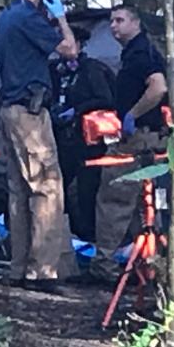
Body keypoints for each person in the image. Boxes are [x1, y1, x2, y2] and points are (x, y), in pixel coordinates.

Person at [0, 0, 76, 292]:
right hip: (29, 114)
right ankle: (42, 271)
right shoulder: (29, 18)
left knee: (19, 190)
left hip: (9, 110)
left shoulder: (5, 17)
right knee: (47, 187)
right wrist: (62, 18)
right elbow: (70, 49)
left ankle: (18, 267)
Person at [92, 4, 168, 280]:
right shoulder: (141, 51)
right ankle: (147, 264)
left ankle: (105, 265)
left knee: (114, 195)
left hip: (138, 137)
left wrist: (133, 115)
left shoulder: (140, 52)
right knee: (142, 203)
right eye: (111, 21)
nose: (113, 26)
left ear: (135, 23)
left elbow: (159, 86)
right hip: (147, 135)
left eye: (119, 20)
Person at [49, 26, 115, 243]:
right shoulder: (53, 70)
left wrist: (77, 111)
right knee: (58, 187)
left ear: (79, 45)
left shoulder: (92, 70)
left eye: (68, 42)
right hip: (60, 139)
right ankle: (65, 236)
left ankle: (92, 238)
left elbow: (106, 100)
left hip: (89, 142)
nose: (63, 47)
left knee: (88, 190)